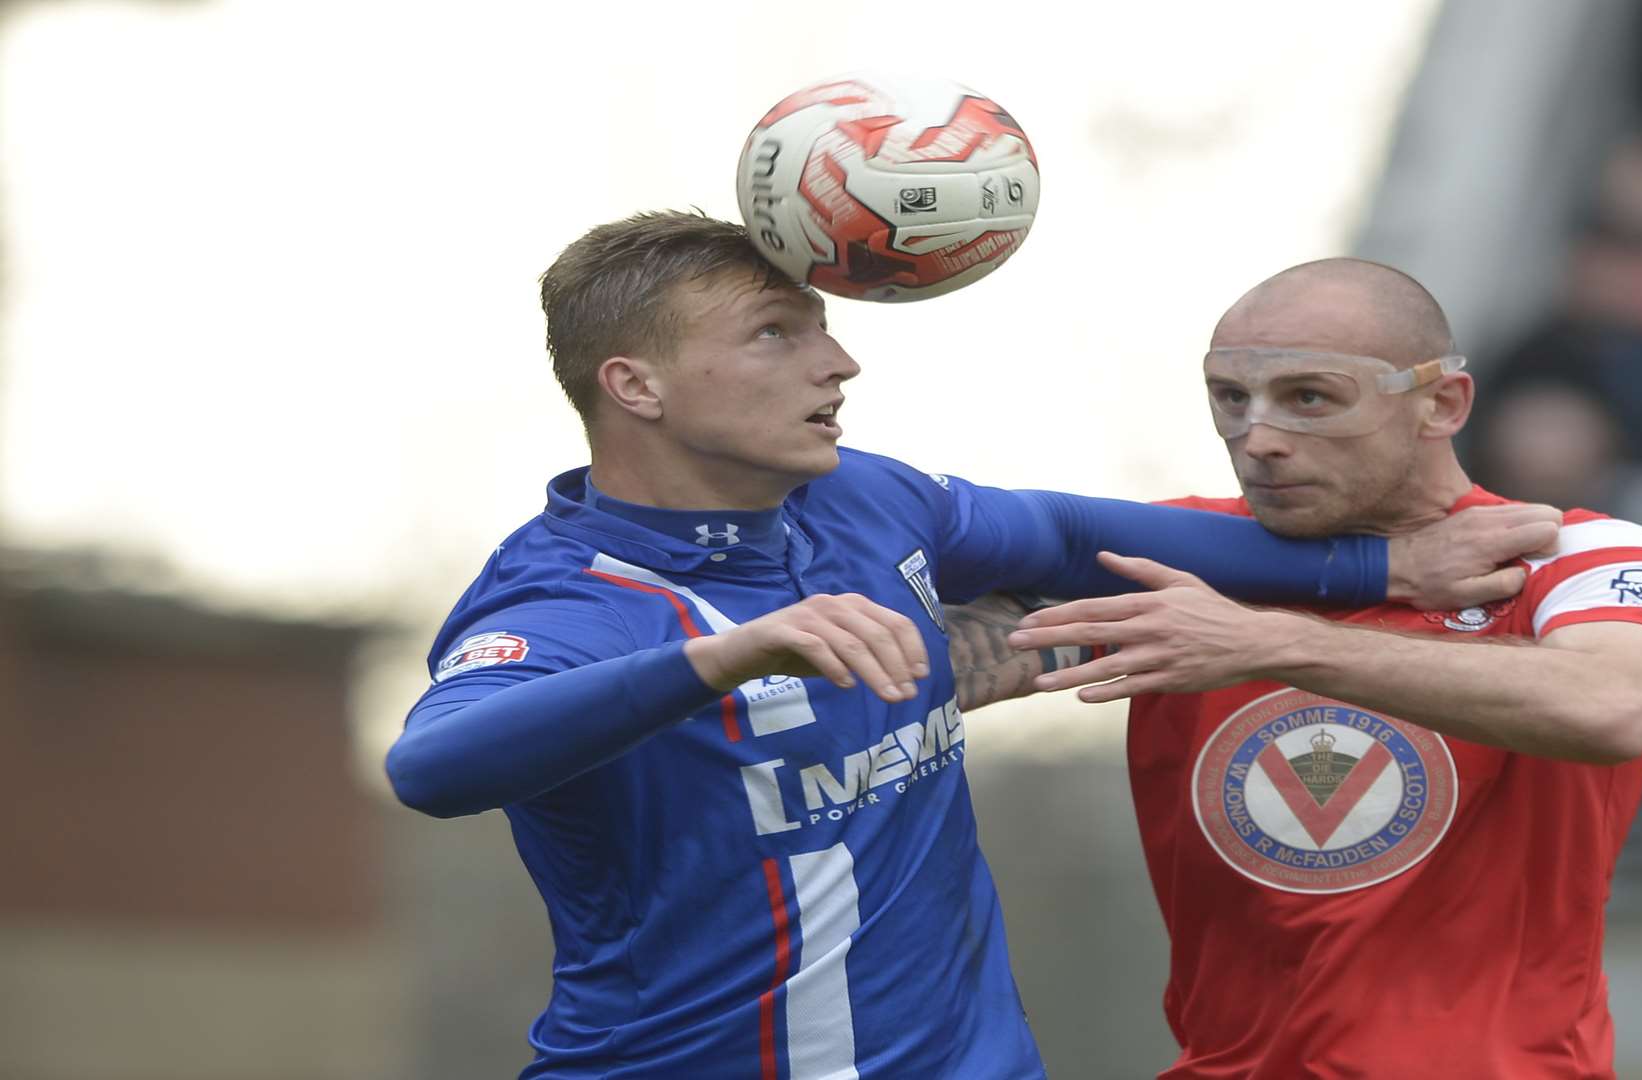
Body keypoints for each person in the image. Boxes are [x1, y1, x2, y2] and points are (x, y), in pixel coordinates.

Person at [382, 214, 1550, 1079]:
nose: (838, 365)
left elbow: (1067, 533)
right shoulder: (572, 600)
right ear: (633, 385)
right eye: (776, 336)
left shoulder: (861, 501)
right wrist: (724, 660)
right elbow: (432, 768)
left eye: (825, 331)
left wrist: (1379, 569)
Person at [961, 258, 1642, 1079]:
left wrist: (1272, 642)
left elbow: (1612, 705)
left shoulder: (1570, 553)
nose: (1261, 438)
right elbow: (915, 671)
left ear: (1442, 404)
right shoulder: (1180, 559)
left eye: (1311, 397)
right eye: (1231, 399)